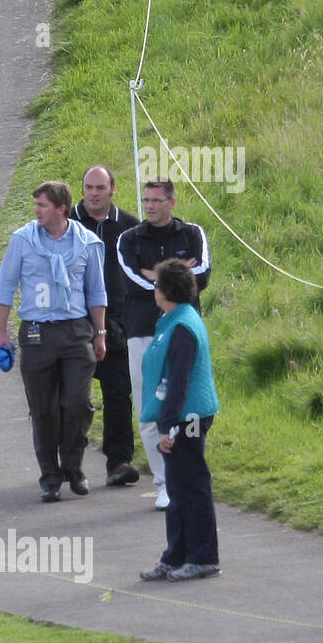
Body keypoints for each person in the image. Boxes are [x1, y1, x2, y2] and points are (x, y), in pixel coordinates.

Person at [0, 181, 108, 503]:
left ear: (61, 208)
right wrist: (0, 334)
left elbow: (96, 293)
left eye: (42, 205)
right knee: (43, 410)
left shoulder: (87, 243)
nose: (36, 211)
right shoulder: (23, 240)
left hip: (75, 331)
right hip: (36, 332)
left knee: (76, 404)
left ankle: (74, 467)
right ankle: (50, 476)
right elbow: (5, 288)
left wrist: (100, 334)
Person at [117, 178, 211, 508]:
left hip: (183, 329)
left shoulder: (193, 233)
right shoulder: (129, 239)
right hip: (142, 331)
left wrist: (156, 274)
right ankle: (163, 482)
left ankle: (187, 470)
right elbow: (131, 281)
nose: (150, 206)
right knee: (149, 408)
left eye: (157, 200)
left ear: (172, 202)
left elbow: (202, 276)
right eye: (146, 200)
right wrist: (176, 274)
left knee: (187, 401)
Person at [138, 259, 221, 582]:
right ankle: (175, 556)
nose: (154, 290)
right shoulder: (174, 320)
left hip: (187, 418)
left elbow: (178, 382)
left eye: (157, 284)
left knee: (191, 487)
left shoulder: (182, 327)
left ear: (166, 290)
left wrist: (168, 427)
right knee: (177, 487)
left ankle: (203, 557)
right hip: (181, 416)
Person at [69, 165, 140, 485]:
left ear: (113, 189)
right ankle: (68, 462)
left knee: (118, 393)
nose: (93, 194)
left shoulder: (130, 228)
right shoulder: (65, 223)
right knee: (71, 400)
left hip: (117, 326)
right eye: (88, 188)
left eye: (100, 188)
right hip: (72, 324)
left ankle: (119, 462)